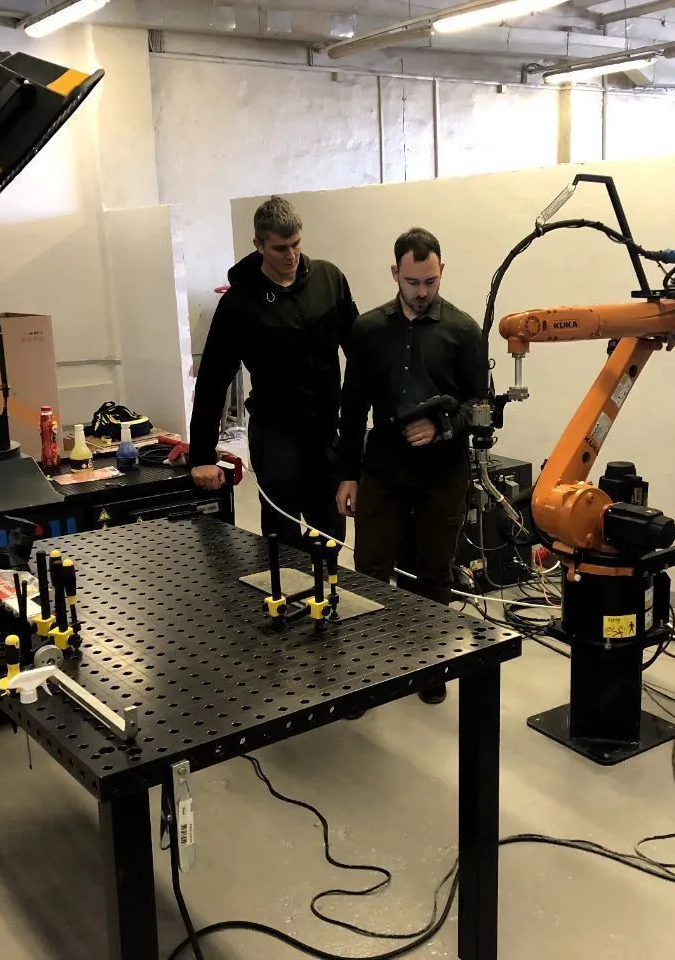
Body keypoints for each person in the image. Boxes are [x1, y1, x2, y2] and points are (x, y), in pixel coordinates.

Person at [335, 229, 486, 706]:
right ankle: (365, 672)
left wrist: (442, 427)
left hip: (443, 473)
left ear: (442, 273)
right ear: (395, 274)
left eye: (431, 281)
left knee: (434, 573)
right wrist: (348, 474)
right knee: (369, 568)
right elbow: (352, 407)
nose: (422, 292)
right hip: (383, 468)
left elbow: (480, 407)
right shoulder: (367, 329)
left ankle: (429, 668)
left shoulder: (464, 331)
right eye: (413, 282)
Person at [189, 196, 358, 546]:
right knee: (283, 544)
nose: (291, 255)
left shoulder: (329, 279)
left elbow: (359, 353)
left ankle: (327, 584)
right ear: (259, 244)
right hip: (276, 436)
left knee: (331, 537)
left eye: (296, 244)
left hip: (326, 433)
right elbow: (212, 381)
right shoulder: (239, 304)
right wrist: (202, 456)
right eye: (281, 248)